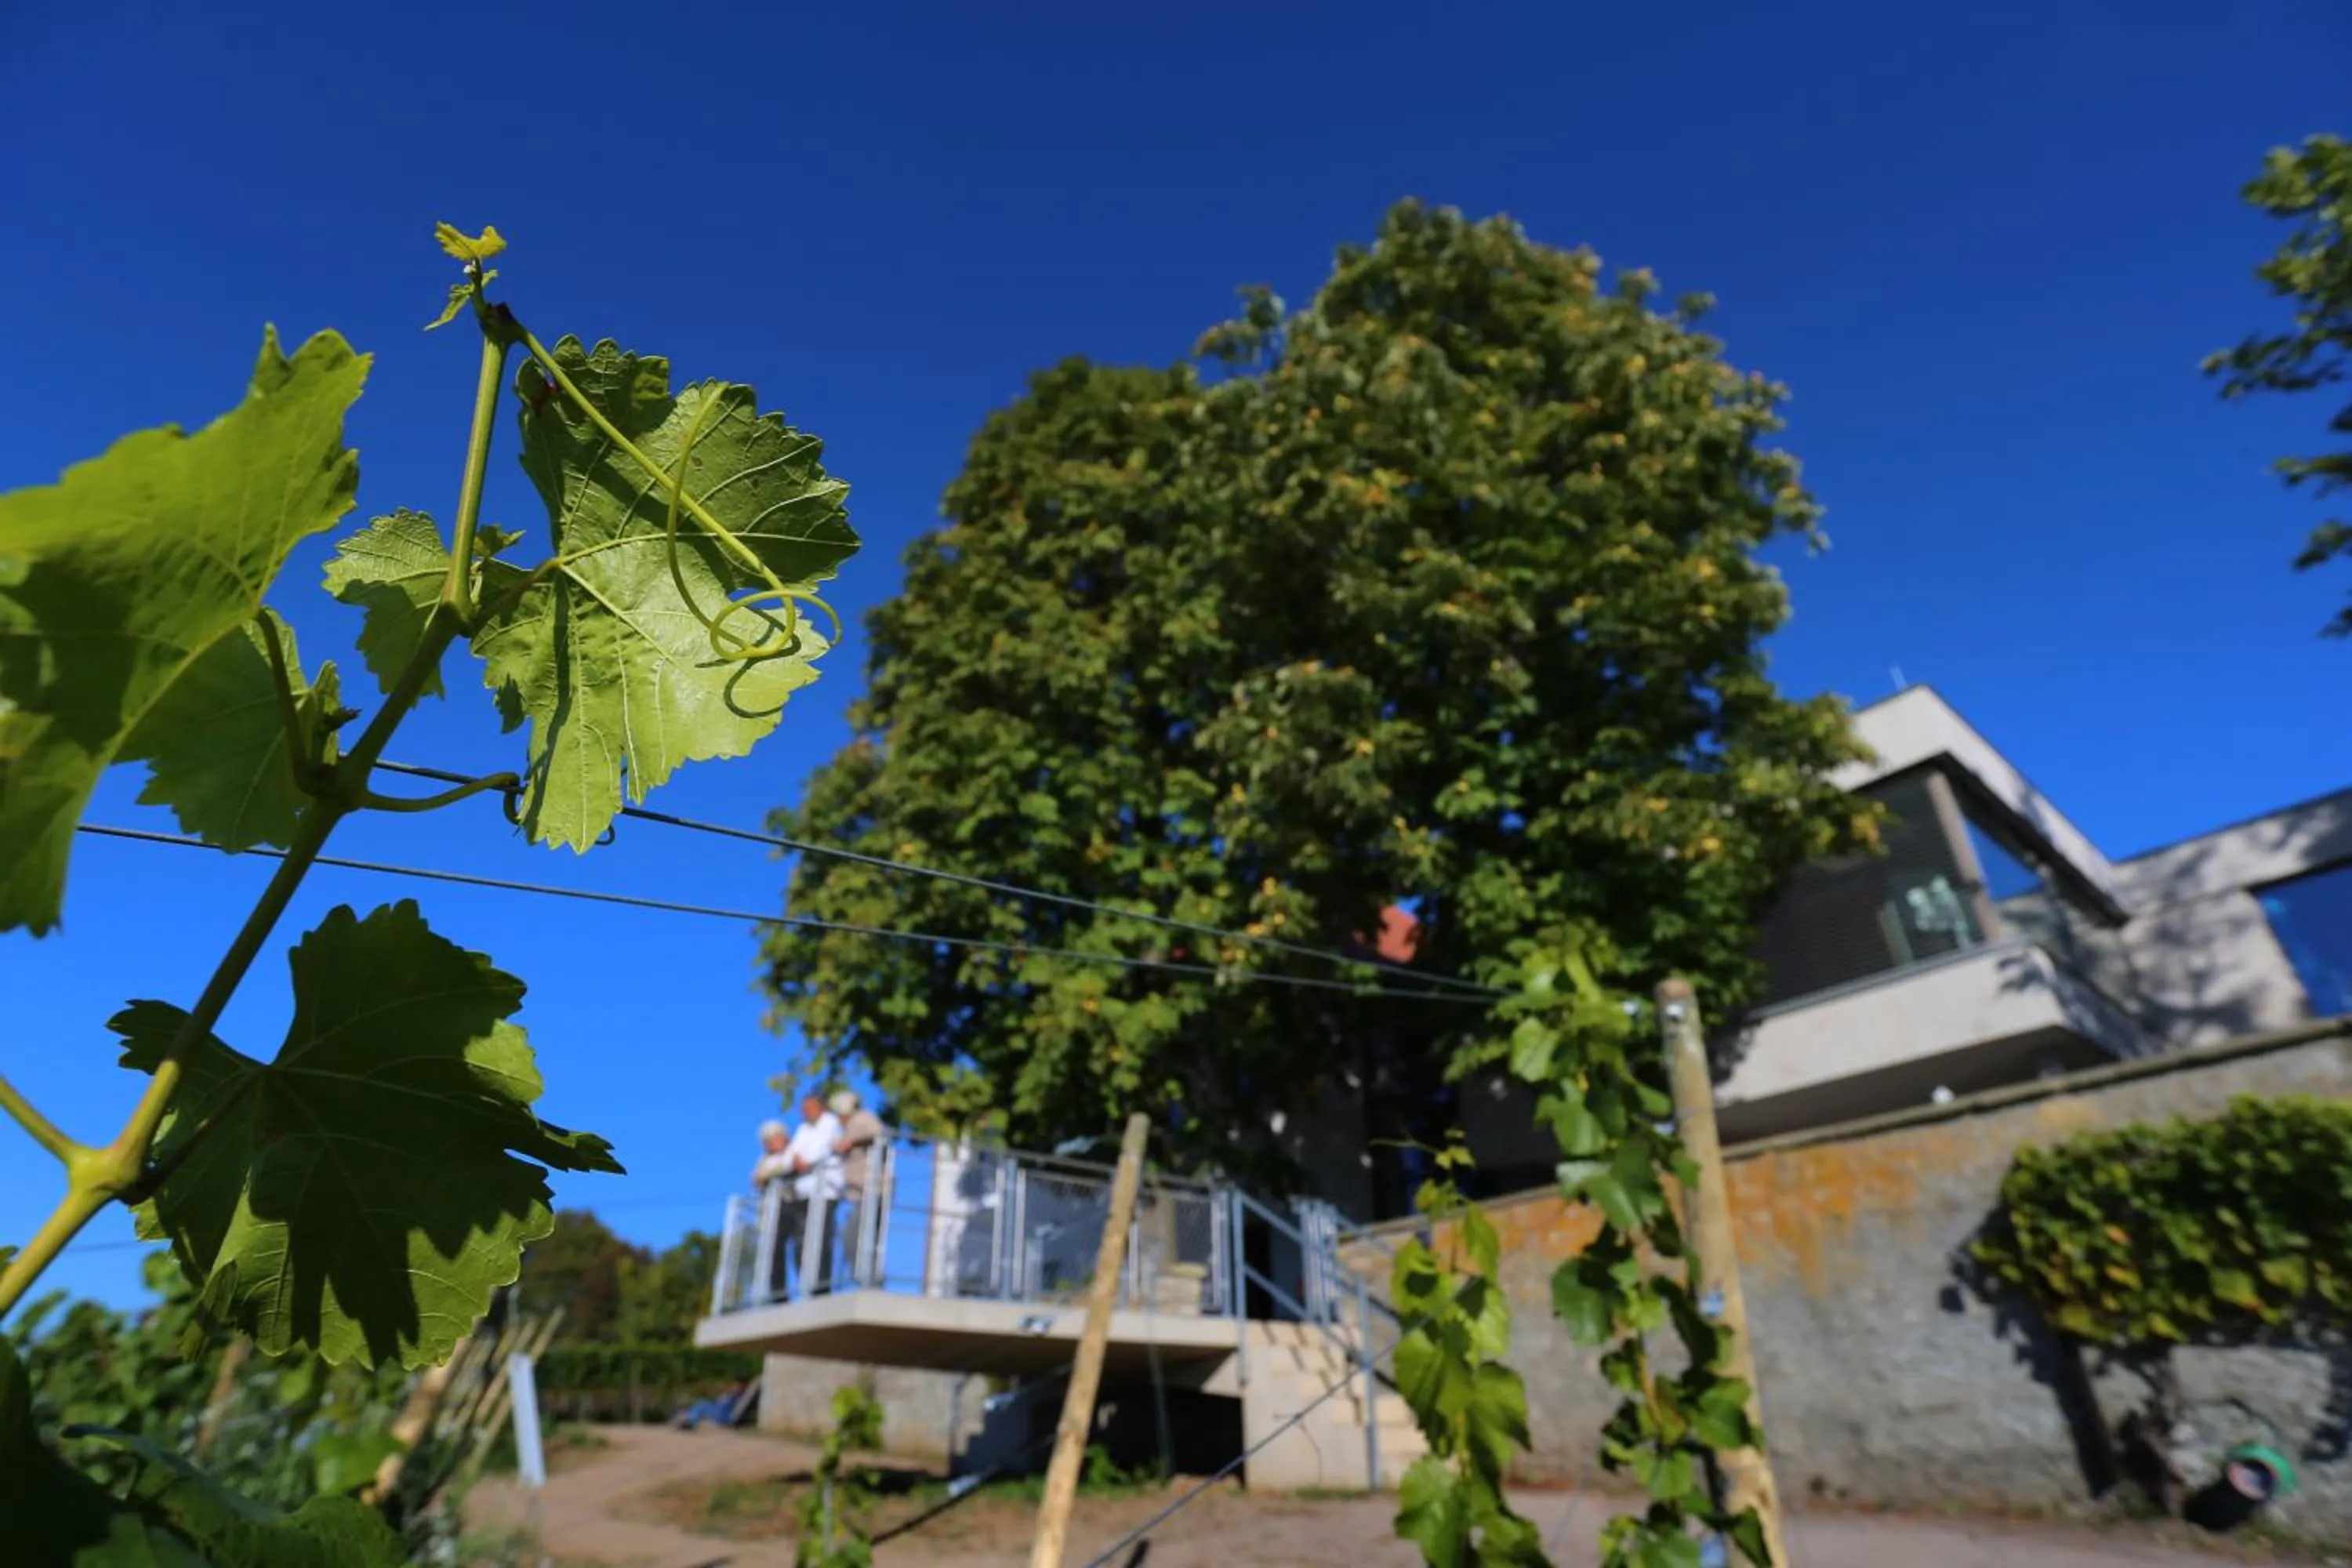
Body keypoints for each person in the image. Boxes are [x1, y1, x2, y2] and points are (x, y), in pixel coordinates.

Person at [782, 1093, 844, 1296]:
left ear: (820, 1107)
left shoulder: (831, 1124)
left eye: (808, 1107)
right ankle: (807, 1282)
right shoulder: (803, 1129)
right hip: (804, 1192)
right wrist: (795, 1162)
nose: (805, 1112)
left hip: (825, 1190)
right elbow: (791, 1155)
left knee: (823, 1238)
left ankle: (822, 1286)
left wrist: (806, 1162)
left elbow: (824, 1150)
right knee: (801, 1240)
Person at [829, 1090, 886, 1286]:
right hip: (856, 1192)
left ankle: (869, 1280)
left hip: (872, 1189)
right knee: (852, 1235)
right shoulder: (845, 1127)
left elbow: (878, 1134)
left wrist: (851, 1142)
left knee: (858, 1235)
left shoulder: (862, 1118)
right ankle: (864, 1278)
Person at [752, 1120, 794, 1300]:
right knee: (773, 1254)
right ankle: (777, 1294)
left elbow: (785, 1169)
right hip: (770, 1211)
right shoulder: (764, 1159)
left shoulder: (793, 1152)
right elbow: (757, 1178)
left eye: (772, 1139)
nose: (769, 1144)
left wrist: (771, 1174)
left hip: (790, 1206)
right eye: (766, 1141)